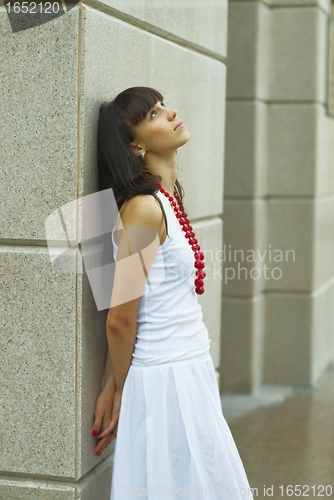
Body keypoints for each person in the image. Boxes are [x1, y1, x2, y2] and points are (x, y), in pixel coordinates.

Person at [91, 86, 254, 499]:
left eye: (163, 106)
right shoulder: (144, 209)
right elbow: (120, 318)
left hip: (189, 367)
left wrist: (112, 382)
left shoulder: (164, 199)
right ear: (137, 145)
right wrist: (124, 389)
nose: (170, 112)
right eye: (154, 114)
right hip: (165, 380)